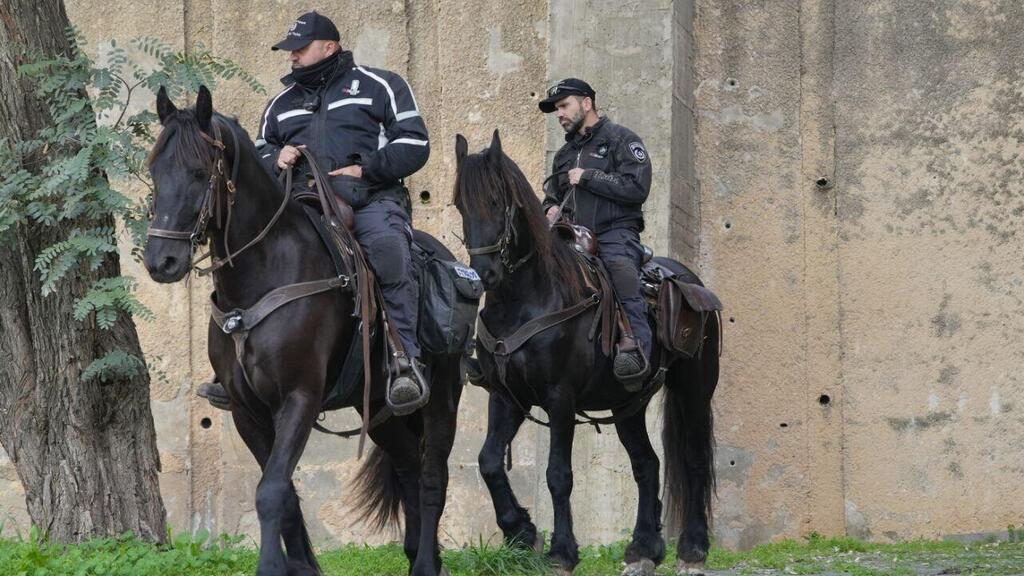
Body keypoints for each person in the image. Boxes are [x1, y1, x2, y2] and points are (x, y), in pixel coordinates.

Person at [199, 11, 430, 413]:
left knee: (390, 251)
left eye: (300, 49)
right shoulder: (279, 105)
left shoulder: (382, 85)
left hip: (369, 199)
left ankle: (403, 360)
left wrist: (365, 169)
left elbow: (414, 143)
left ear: (329, 47)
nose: (292, 57)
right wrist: (275, 157)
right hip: (300, 203)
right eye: (290, 51)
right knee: (247, 256)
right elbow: (257, 156)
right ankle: (231, 370)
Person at [539, 78, 653, 390]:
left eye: (564, 106)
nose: (559, 114)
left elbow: (637, 187)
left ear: (586, 103)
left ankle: (636, 351)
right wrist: (549, 209)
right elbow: (552, 195)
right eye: (556, 109)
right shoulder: (562, 155)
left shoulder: (621, 140)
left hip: (615, 235)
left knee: (622, 275)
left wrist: (589, 177)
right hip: (571, 238)